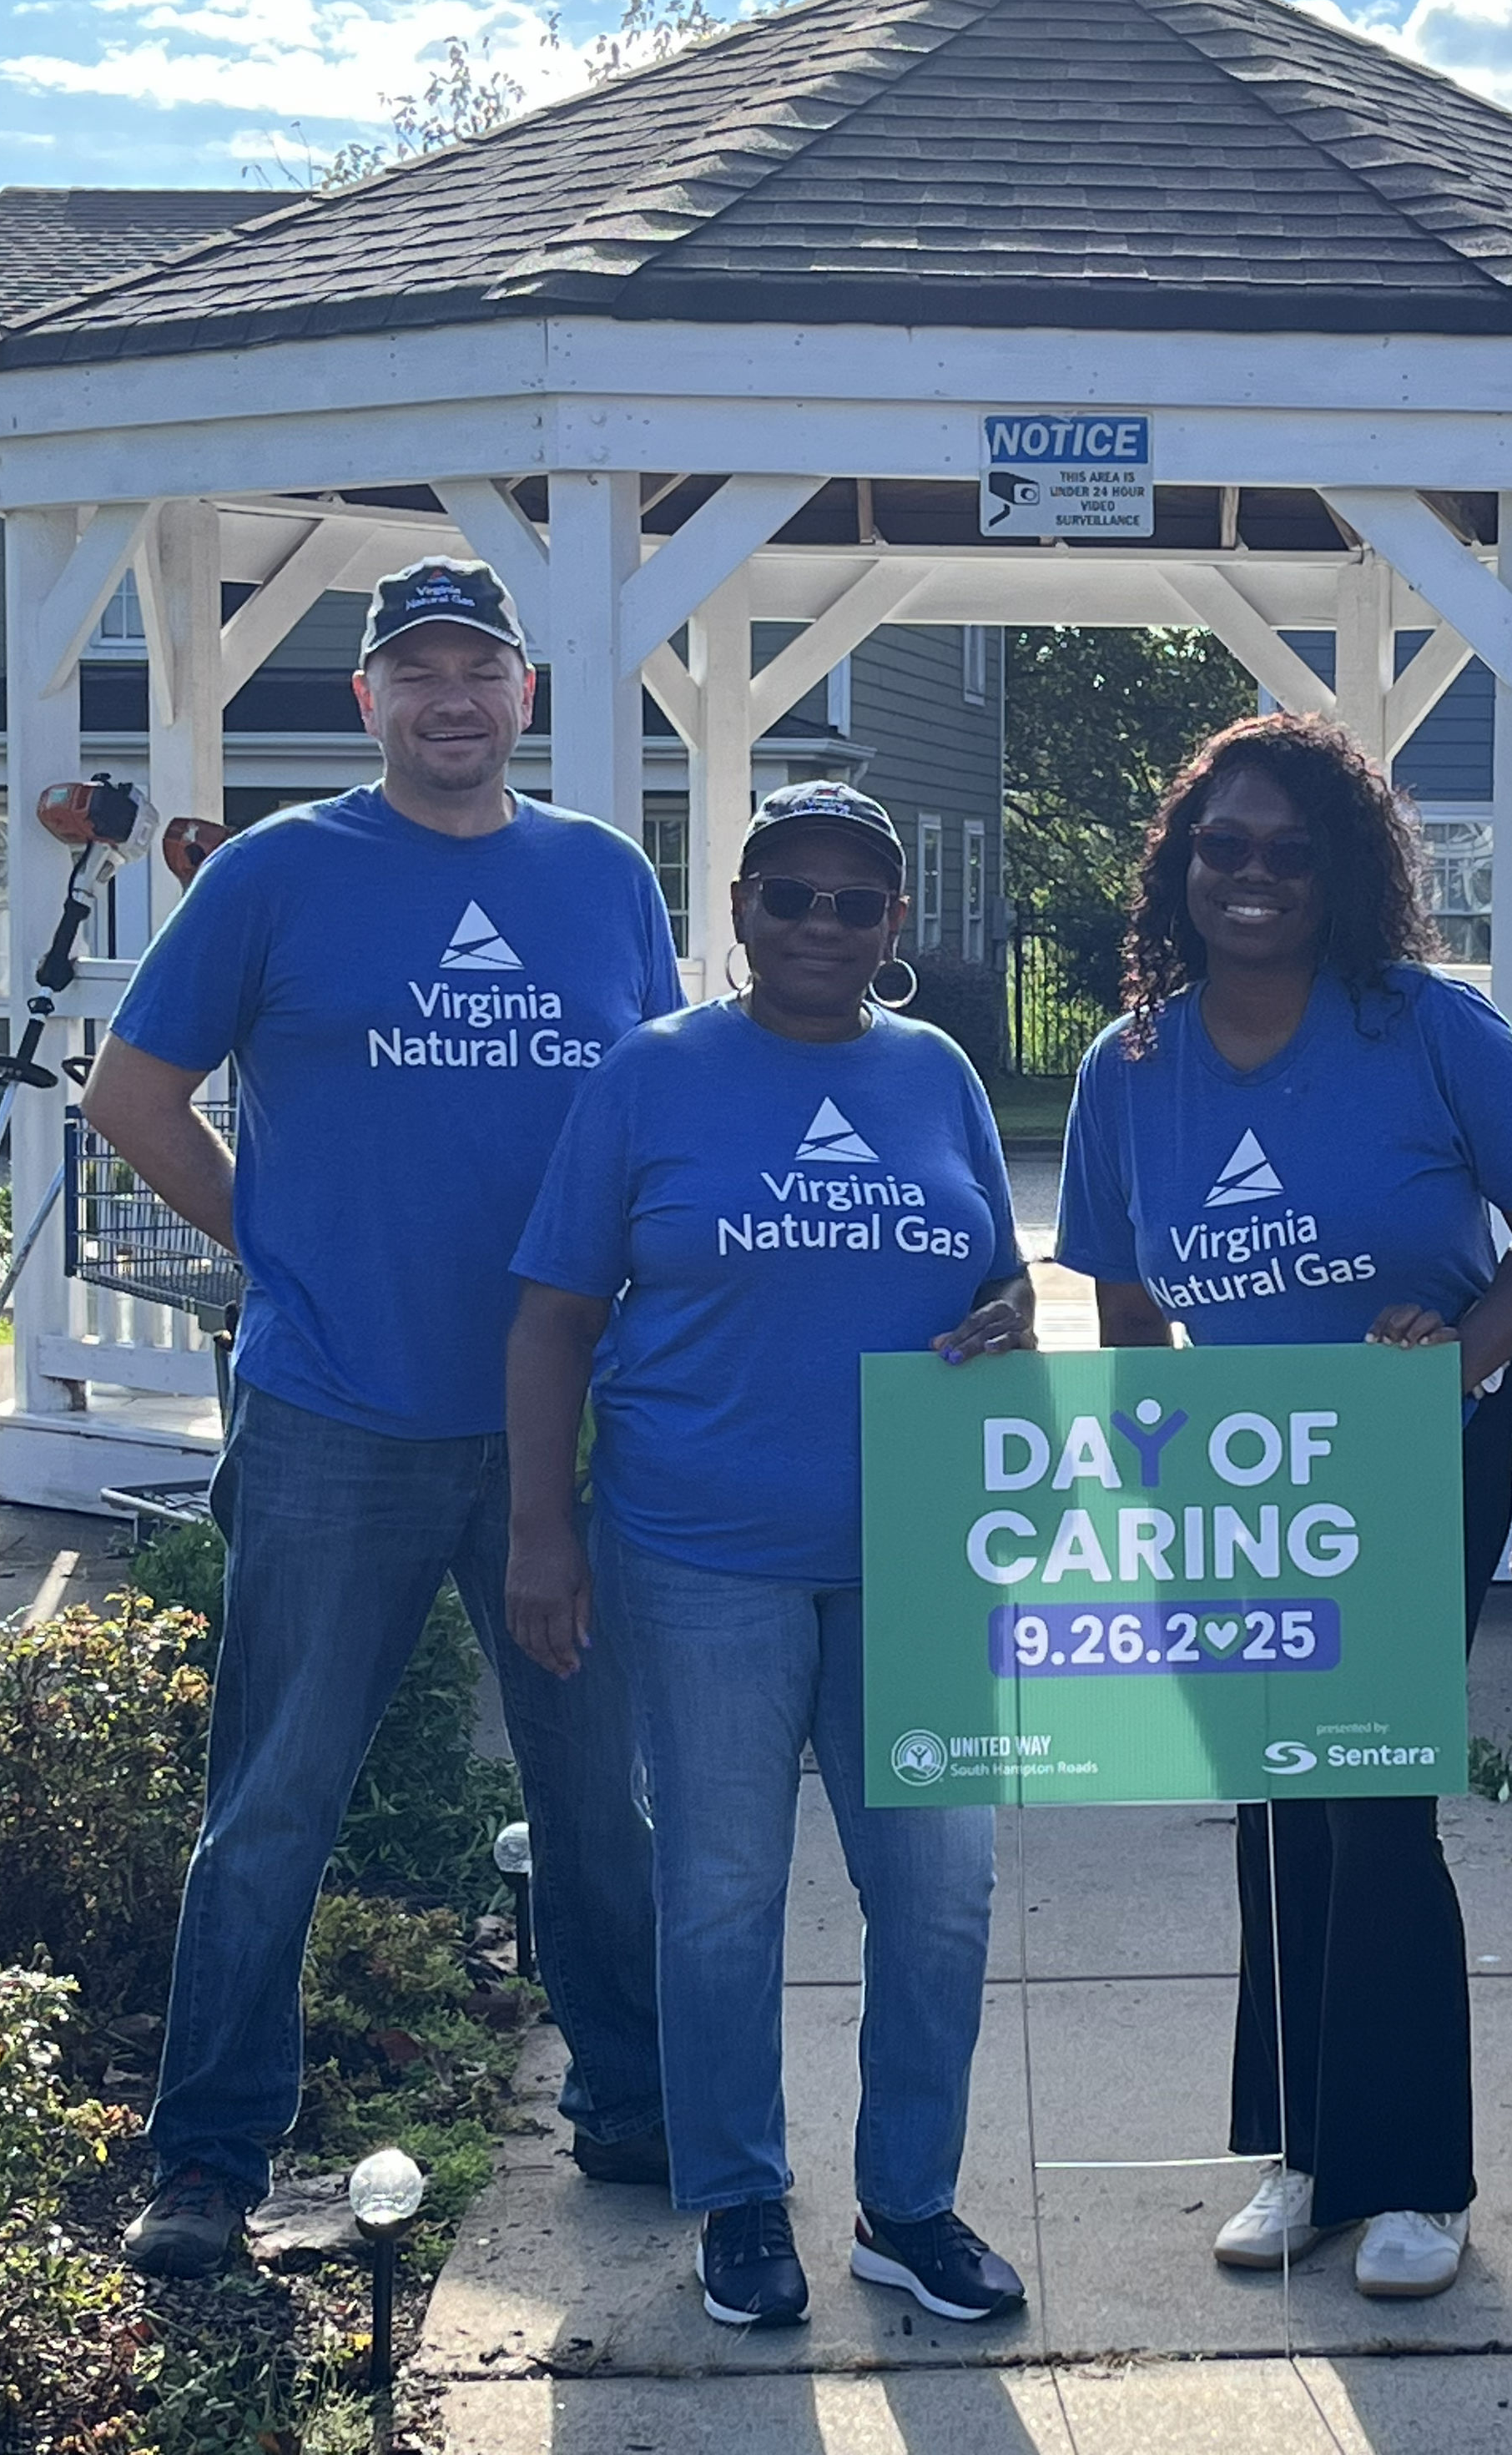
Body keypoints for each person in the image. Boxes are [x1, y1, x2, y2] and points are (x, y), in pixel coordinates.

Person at [87, 558, 674, 2276]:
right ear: (365, 703)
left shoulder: (604, 880)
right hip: (335, 1416)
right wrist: (271, 1244)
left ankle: (631, 2102)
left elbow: (655, 1115)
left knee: (596, 1796)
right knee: (274, 1797)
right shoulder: (278, 875)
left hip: (550, 1432)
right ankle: (203, 2160)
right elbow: (133, 1093)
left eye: (477, 671)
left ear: (526, 694)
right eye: (412, 674)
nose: (449, 702)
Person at [1055, 714, 1512, 2301]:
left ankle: (1416, 2173)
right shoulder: (1130, 1064)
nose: (1255, 874)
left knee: (1371, 1802)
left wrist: (1462, 1374)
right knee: (1275, 1810)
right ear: (1181, 863)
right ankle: (1305, 2153)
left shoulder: (1425, 1027)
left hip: (1402, 1468)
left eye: (1293, 851)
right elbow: (1127, 1296)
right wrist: (1144, 1481)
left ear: (1344, 871)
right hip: (1235, 1487)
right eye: (1224, 845)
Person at [505, 780, 1032, 2332]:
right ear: (735, 910)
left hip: (920, 1558)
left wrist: (1009, 1325)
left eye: (853, 901)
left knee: (939, 1893)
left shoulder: (936, 1073)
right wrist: (544, 1532)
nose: (820, 924)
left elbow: (997, 1280)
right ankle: (738, 2196)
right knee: (725, 1890)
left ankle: (909, 2205)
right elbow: (552, 1316)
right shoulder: (650, 1077)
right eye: (788, 896)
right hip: (700, 1553)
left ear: (895, 926)